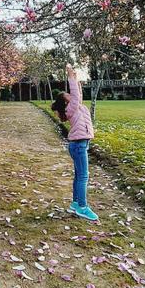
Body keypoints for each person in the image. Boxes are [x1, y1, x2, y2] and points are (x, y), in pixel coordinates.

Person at [50, 64, 98, 221]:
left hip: (81, 144)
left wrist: (76, 79)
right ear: (66, 103)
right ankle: (82, 207)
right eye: (68, 96)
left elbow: (79, 95)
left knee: (79, 176)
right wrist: (70, 76)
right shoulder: (71, 109)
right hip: (78, 145)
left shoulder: (79, 108)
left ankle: (76, 204)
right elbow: (76, 96)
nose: (72, 96)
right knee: (83, 176)